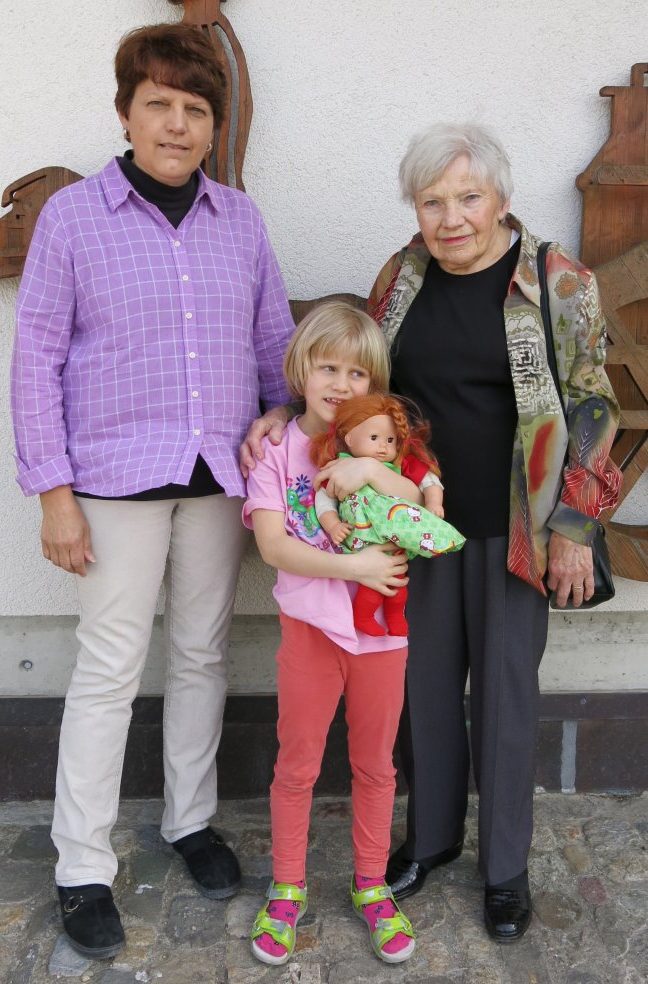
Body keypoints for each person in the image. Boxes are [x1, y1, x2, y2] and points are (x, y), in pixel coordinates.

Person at [239, 123, 622, 943]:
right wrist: (281, 411)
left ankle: (506, 870)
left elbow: (593, 403)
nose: (450, 217)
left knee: (507, 699)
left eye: (467, 198)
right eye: (432, 200)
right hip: (412, 529)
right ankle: (432, 839)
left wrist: (574, 526)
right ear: (415, 208)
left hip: (515, 529)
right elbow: (358, 386)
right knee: (420, 695)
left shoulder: (556, 280)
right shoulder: (401, 276)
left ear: (501, 200)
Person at [10, 23, 294, 959]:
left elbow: (266, 348)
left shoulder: (240, 221)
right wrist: (52, 491)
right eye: (159, 105)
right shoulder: (75, 219)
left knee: (205, 652)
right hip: (112, 484)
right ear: (127, 112)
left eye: (195, 109)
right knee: (108, 668)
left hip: (217, 477)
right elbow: (38, 355)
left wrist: (276, 420)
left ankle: (189, 820)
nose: (177, 124)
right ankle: (82, 865)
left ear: (215, 125)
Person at [243, 302, 417, 966]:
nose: (341, 385)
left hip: (381, 639)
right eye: (328, 368)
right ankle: (287, 886)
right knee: (298, 765)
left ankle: (370, 886)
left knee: (375, 765)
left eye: (357, 373)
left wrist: (374, 471)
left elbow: (421, 504)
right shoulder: (276, 454)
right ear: (299, 370)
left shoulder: (386, 450)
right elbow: (274, 549)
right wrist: (355, 565)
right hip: (310, 634)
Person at [310, 393, 464, 636]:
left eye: (390, 440)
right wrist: (333, 526)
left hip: (394, 543)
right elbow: (324, 501)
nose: (383, 446)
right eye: (374, 438)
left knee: (398, 587)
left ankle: (396, 620)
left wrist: (434, 502)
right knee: (371, 590)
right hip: (363, 544)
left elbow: (429, 480)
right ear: (349, 438)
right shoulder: (341, 467)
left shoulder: (401, 465)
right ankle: (363, 616)